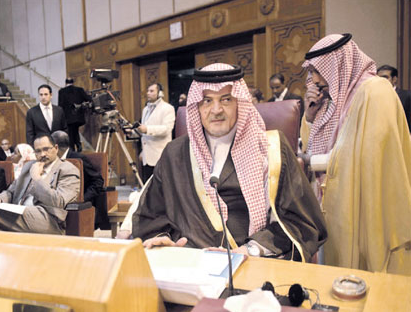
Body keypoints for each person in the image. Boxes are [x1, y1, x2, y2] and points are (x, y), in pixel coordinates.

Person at [132, 63, 327, 262]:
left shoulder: (271, 148)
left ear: (240, 103)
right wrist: (164, 240)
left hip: (251, 264)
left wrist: (252, 249)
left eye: (226, 99)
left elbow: (302, 223)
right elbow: (150, 216)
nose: (216, 110)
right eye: (207, 101)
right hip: (188, 263)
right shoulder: (174, 154)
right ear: (197, 106)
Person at [300, 34, 411, 274]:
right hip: (338, 206)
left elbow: (370, 160)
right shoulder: (338, 98)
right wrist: (310, 118)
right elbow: (315, 148)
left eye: (316, 71)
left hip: (368, 208)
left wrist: (314, 162)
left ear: (337, 65)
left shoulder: (375, 91)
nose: (312, 80)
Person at [0, 134, 80, 234]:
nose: (42, 154)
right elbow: (11, 191)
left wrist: (37, 178)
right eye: (38, 151)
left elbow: (59, 201)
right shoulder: (29, 166)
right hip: (19, 211)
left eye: (46, 149)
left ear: (56, 148)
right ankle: (13, 239)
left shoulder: (67, 169)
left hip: (48, 218)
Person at [135, 83, 176, 182]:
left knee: (160, 188)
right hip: (146, 156)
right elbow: (144, 131)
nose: (148, 93)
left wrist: (147, 129)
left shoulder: (168, 108)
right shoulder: (145, 109)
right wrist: (132, 133)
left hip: (159, 155)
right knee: (147, 187)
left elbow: (167, 129)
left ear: (160, 93)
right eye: (148, 91)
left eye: (152, 91)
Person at [52, 130, 104, 205]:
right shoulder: (52, 160)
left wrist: (83, 199)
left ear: (56, 147)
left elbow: (97, 181)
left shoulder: (79, 159)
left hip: (77, 203)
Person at [58, 78, 91, 151]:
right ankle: (78, 144)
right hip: (78, 116)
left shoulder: (61, 91)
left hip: (68, 117)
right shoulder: (80, 89)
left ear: (66, 83)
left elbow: (60, 105)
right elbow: (88, 99)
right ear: (73, 82)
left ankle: (72, 148)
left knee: (70, 132)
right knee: (75, 130)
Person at [377, 64, 411, 129]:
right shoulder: (374, 96)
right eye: (378, 78)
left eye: (385, 77)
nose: (381, 80)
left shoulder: (406, 96)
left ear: (394, 79)